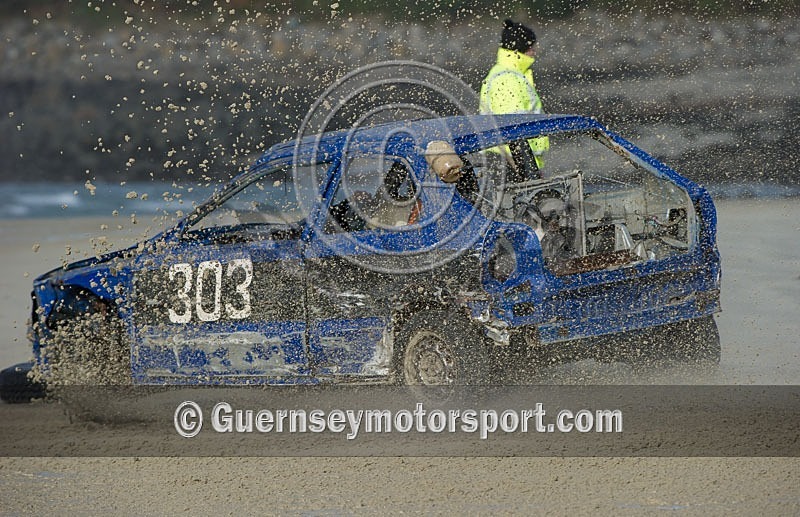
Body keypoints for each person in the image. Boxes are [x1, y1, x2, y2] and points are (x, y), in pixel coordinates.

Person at [480, 19, 550, 177]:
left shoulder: (513, 75)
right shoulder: (507, 79)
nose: (534, 51)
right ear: (521, 49)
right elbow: (513, 128)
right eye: (532, 47)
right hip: (511, 162)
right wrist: (527, 168)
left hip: (515, 160)